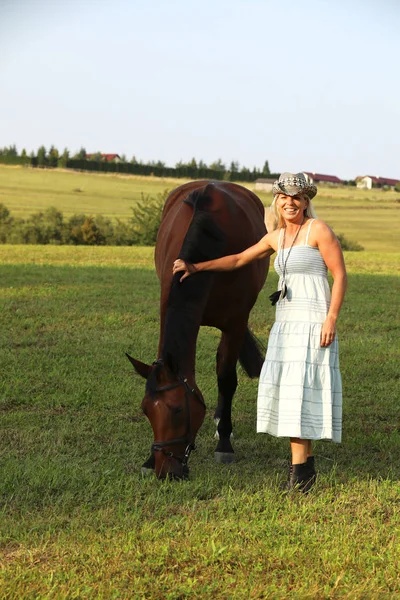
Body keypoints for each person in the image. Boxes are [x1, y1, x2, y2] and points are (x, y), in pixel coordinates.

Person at [172, 172, 347, 492]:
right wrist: (196, 267)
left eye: (296, 197)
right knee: (295, 393)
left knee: (302, 393)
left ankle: (300, 475)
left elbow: (340, 275)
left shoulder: (318, 230)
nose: (289, 202)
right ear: (277, 201)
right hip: (285, 322)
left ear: (306, 202)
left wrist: (331, 318)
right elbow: (238, 259)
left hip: (312, 321)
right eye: (283, 197)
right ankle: (304, 472)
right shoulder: (276, 237)